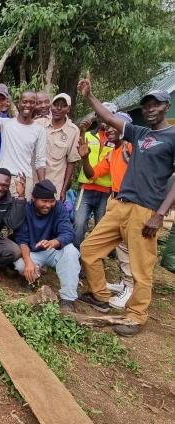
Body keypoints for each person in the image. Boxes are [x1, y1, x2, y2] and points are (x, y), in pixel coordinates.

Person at [77, 74, 175, 336]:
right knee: (88, 249)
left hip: (145, 210)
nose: (150, 109)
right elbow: (109, 118)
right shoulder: (139, 132)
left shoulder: (173, 136)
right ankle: (100, 297)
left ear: (166, 106)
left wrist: (160, 215)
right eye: (146, 105)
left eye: (155, 104)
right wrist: (88, 95)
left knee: (140, 267)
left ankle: (136, 315)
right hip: (119, 205)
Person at [77, 112, 134, 309]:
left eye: (114, 125)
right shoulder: (113, 154)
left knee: (130, 249)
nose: (109, 128)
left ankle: (131, 289)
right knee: (90, 248)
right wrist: (85, 158)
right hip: (115, 202)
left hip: (135, 204)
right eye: (107, 125)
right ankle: (101, 296)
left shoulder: (132, 148)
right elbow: (91, 174)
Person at [13, 180, 80, 313]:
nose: (48, 205)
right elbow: (21, 238)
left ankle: (68, 299)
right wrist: (28, 261)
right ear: (34, 198)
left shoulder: (59, 207)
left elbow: (68, 233)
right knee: (21, 265)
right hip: (33, 251)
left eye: (51, 201)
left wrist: (53, 242)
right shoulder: (26, 208)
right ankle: (32, 277)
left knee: (71, 251)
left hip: (53, 249)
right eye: (44, 201)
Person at [0, 89, 46, 197]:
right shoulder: (6, 123)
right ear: (19, 103)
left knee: (20, 212)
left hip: (23, 179)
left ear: (35, 105)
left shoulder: (39, 130)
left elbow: (40, 161)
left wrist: (43, 186)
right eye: (25, 101)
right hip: (2, 179)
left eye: (32, 102)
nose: (28, 105)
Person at [72, 103, 118, 249]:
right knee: (79, 224)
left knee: (101, 227)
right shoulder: (88, 135)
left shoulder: (116, 139)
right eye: (101, 114)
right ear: (97, 116)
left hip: (106, 190)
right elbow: (78, 153)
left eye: (108, 115)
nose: (104, 118)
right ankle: (75, 257)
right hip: (86, 188)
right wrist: (82, 131)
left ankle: (94, 260)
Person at [34, 93, 81, 200]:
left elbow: (71, 161)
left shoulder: (73, 131)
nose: (58, 108)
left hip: (54, 186)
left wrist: (64, 190)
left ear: (68, 109)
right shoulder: (38, 123)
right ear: (51, 106)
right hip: (33, 182)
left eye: (63, 105)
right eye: (56, 104)